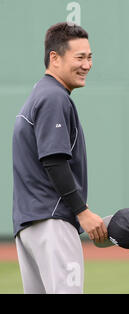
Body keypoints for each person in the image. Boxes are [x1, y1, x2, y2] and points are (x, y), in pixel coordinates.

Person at [12, 22, 107, 294]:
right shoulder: (54, 97)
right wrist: (82, 211)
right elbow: (53, 160)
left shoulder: (39, 94)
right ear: (54, 57)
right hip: (52, 223)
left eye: (89, 57)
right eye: (79, 57)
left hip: (30, 223)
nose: (87, 65)